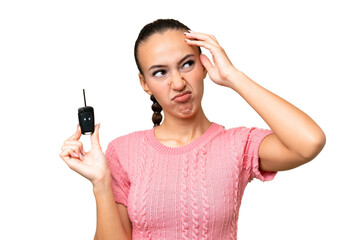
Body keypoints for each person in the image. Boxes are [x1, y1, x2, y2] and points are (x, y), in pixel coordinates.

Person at [59, 19, 326, 240]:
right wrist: (101, 182)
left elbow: (309, 142)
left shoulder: (238, 145)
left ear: (204, 66)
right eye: (160, 72)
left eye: (187, 64)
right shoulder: (123, 150)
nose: (177, 83)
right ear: (145, 83)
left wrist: (234, 77)